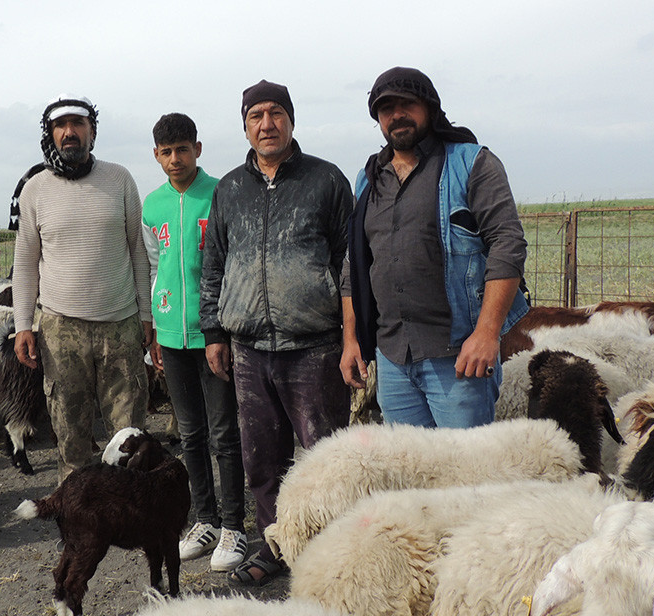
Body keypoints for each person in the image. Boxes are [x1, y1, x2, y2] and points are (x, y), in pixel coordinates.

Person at [200, 81, 353, 586]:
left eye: (276, 114)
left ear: (291, 119)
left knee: (324, 457)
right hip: (248, 349)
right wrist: (214, 331)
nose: (267, 124)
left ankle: (331, 550)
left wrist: (351, 335)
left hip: (314, 346)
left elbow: (348, 263)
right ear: (245, 126)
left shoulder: (326, 181)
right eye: (256, 116)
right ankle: (273, 547)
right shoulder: (229, 189)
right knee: (262, 459)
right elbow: (214, 263)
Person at [340, 67, 529, 429]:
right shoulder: (368, 179)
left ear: (430, 107)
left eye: (406, 104)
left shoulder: (471, 163)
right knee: (413, 477)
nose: (396, 114)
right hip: (393, 359)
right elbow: (353, 264)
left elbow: (507, 245)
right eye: (385, 108)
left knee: (466, 476)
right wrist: (352, 341)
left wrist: (487, 334)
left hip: (459, 357)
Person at [12, 95, 154, 481]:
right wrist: (24, 324)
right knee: (70, 436)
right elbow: (25, 262)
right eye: (61, 125)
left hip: (121, 325)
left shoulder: (120, 179)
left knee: (129, 435)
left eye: (79, 124)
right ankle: (78, 517)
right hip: (60, 330)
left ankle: (130, 510)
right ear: (51, 134)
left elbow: (137, 251)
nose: (70, 132)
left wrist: (146, 314)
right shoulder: (35, 189)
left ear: (92, 132)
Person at [142, 113, 246, 573]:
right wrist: (155, 332)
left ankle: (234, 525)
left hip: (213, 334)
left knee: (224, 431)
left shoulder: (221, 194)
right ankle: (203, 520)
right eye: (166, 152)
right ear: (156, 155)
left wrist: (222, 330)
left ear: (198, 149)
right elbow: (153, 267)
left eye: (182, 149)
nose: (175, 159)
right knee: (190, 434)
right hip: (171, 333)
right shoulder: (152, 206)